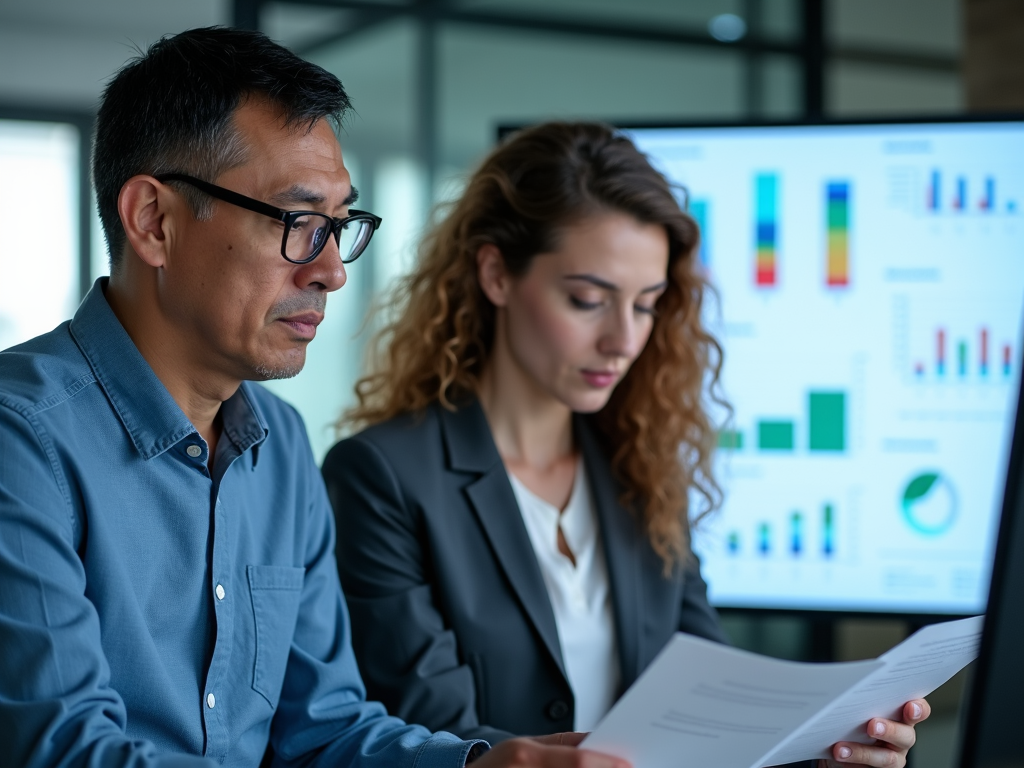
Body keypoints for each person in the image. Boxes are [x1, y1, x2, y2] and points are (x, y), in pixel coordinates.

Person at [0, 29, 627, 768]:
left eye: (338, 226)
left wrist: (484, 763)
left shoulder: (282, 444)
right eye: (298, 223)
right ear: (154, 222)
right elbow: (65, 753)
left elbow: (321, 729)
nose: (331, 270)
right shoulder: (22, 441)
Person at [322, 121, 930, 768]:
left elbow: (711, 701)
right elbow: (435, 736)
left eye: (646, 305)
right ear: (496, 274)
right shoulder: (381, 476)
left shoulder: (637, 465)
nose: (624, 340)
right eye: (588, 300)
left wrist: (824, 750)